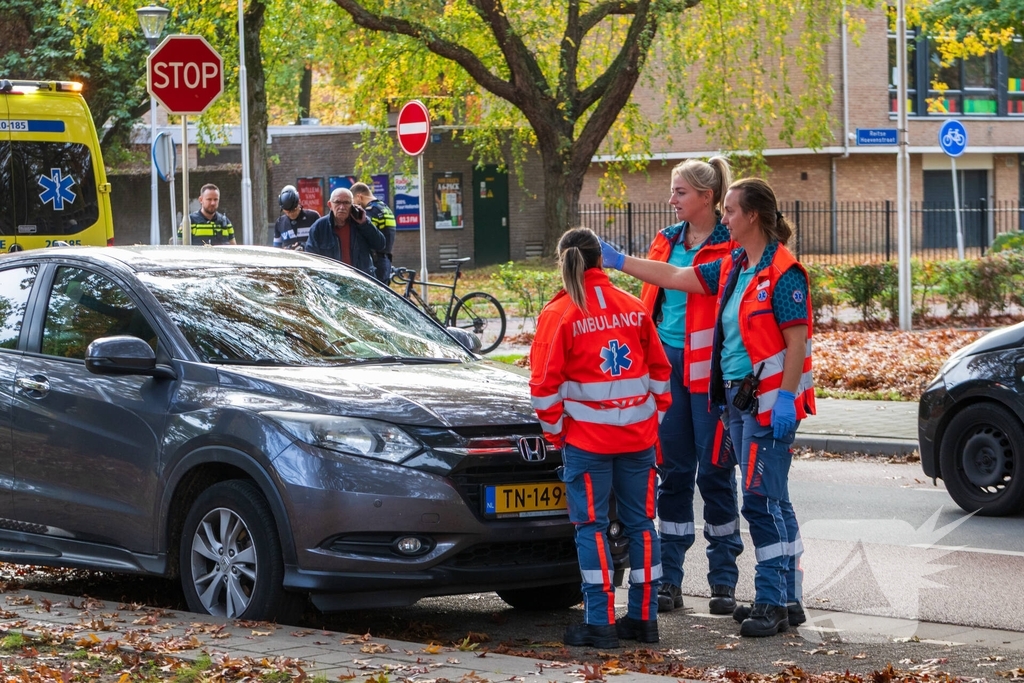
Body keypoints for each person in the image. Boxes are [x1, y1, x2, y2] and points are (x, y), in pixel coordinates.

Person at [601, 178, 814, 638]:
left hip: (767, 404)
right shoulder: (738, 264)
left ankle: (772, 601)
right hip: (740, 400)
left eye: (732, 211)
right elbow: (678, 278)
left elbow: (797, 342)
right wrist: (619, 262)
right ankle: (789, 597)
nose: (726, 217)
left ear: (752, 216)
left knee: (760, 500)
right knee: (773, 499)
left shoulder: (783, 271)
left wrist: (784, 399)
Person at [530, 227, 671, 648]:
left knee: (590, 528)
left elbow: (543, 388)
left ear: (563, 261)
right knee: (642, 526)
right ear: (600, 259)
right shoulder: (633, 307)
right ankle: (644, 620)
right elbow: (661, 377)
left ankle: (600, 623)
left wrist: (558, 435)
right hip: (638, 440)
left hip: (588, 444)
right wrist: (648, 422)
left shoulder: (561, 314)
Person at [639, 157, 743, 617]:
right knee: (674, 473)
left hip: (710, 371)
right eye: (672, 191)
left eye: (680, 191)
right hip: (666, 365)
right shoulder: (664, 240)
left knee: (715, 472)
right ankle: (670, 580)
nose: (672, 199)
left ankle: (723, 581)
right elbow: (648, 301)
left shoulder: (729, 245)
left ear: (706, 197)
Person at [305, 187, 386, 279]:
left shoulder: (361, 224)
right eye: (337, 202)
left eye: (346, 203)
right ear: (330, 204)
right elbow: (311, 259)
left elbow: (380, 245)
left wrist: (364, 224)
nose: (342, 207)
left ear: (353, 205)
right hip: (332, 283)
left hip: (361, 282)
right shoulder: (319, 227)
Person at [351, 182, 397, 284]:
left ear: (359, 196)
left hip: (376, 262)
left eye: (353, 202)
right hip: (386, 260)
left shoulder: (370, 212)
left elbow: (366, 235)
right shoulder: (385, 208)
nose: (354, 205)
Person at [273, 185, 320, 249]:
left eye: (294, 210)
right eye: (287, 212)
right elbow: (276, 248)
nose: (291, 214)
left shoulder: (313, 217)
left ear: (299, 202)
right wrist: (288, 249)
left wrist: (304, 246)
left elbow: (323, 242)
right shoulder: (279, 222)